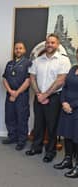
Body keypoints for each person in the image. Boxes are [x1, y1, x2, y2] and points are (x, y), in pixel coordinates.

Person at [26, 33, 71, 163]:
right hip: (38, 96)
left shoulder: (63, 60)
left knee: (52, 126)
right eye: (48, 42)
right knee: (38, 124)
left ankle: (50, 152)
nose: (49, 45)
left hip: (54, 98)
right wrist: (39, 94)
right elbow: (32, 77)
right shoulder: (38, 60)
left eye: (52, 42)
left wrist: (46, 95)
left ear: (57, 45)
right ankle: (37, 147)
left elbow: (61, 80)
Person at [2, 42, 32, 150]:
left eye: (20, 48)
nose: (18, 50)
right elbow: (4, 79)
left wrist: (17, 93)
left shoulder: (28, 63)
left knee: (22, 118)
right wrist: (10, 91)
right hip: (10, 94)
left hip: (21, 96)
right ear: (14, 50)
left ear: (24, 50)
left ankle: (21, 140)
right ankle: (12, 136)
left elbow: (28, 80)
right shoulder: (9, 63)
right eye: (16, 48)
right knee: (9, 117)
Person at [54, 48, 78, 178]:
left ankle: (77, 166)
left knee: (76, 138)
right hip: (66, 108)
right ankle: (68, 160)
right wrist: (63, 102)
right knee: (67, 136)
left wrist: (72, 106)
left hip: (76, 110)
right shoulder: (73, 68)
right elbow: (65, 86)